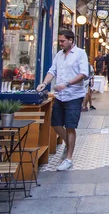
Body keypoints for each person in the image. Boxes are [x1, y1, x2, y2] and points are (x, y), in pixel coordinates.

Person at [37, 30, 89, 171]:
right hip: (60, 96)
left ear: (71, 40)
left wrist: (67, 84)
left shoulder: (80, 53)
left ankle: (69, 158)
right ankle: (68, 142)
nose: (60, 43)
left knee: (70, 126)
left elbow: (84, 73)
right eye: (59, 41)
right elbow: (52, 71)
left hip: (74, 95)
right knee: (56, 124)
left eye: (62, 41)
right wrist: (44, 82)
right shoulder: (59, 55)